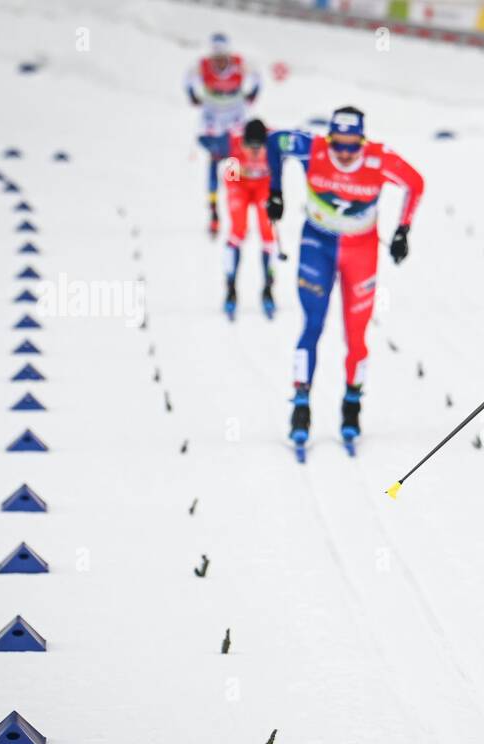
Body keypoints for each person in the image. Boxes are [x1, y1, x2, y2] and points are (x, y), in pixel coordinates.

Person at [266, 106, 424, 454]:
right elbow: (275, 141)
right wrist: (275, 191)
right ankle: (301, 408)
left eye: (353, 146)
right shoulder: (313, 148)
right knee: (312, 326)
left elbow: (415, 183)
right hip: (316, 245)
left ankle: (352, 406)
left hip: (361, 250)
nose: (345, 153)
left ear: (363, 142)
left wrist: (403, 231)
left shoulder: (378, 159)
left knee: (356, 334)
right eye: (339, 145)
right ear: (330, 138)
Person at [185, 33, 259, 237]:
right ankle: (214, 211)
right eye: (216, 57)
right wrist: (192, 96)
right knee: (214, 162)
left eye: (222, 57)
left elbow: (257, 76)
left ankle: (233, 209)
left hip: (234, 120)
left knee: (232, 166)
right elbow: (188, 78)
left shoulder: (238, 64)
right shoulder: (203, 65)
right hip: (213, 123)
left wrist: (253, 94)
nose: (219, 62)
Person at [221, 118, 277, 319]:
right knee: (238, 229)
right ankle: (230, 287)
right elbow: (230, 177)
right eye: (249, 147)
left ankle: (268, 288)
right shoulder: (234, 140)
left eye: (258, 148)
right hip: (240, 185)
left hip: (264, 184)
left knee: (267, 230)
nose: (254, 152)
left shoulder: (274, 141)